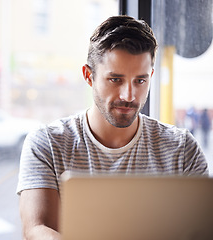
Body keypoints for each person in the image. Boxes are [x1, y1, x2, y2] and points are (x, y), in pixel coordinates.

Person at [16, 15, 209, 240]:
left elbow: (201, 230)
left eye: (140, 81)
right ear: (89, 76)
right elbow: (36, 229)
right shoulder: (47, 143)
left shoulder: (182, 148)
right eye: (115, 80)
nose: (129, 95)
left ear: (151, 77)